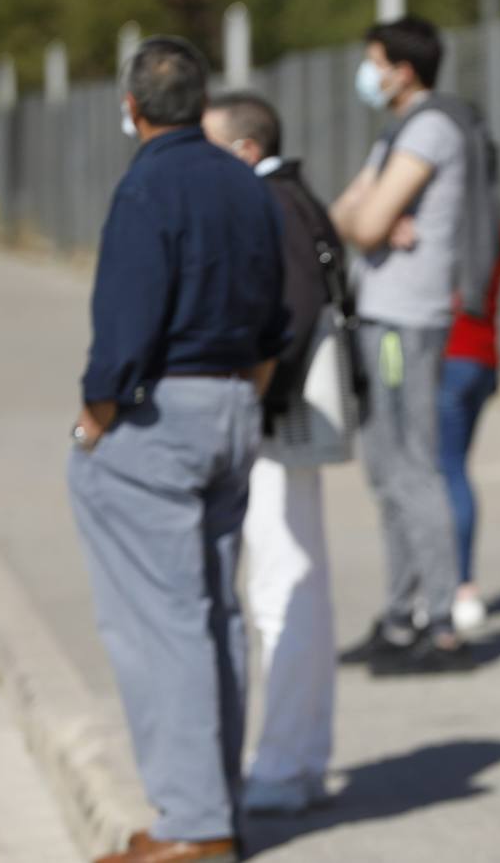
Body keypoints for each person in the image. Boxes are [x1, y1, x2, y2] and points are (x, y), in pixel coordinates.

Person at [67, 37, 287, 863]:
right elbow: (281, 314)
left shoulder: (146, 185)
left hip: (160, 412)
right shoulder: (243, 182)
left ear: (132, 108)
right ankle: (213, 803)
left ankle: (194, 826)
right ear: (199, 103)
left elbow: (124, 325)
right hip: (236, 402)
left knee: (159, 623)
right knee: (212, 615)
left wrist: (94, 418)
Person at [202, 92, 353, 816]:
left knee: (283, 592)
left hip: (275, 426)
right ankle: (298, 759)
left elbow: (288, 320)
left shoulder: (274, 203)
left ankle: (286, 764)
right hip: (284, 422)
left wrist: (249, 400)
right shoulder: (294, 196)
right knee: (293, 586)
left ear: (240, 149)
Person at [330, 15, 494, 673]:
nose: (367, 74)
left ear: (403, 68)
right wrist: (364, 219)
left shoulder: (428, 127)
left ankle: (441, 623)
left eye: (373, 61)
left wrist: (371, 219)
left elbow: (362, 221)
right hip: (381, 316)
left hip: (404, 319)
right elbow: (343, 214)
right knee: (387, 470)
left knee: (414, 467)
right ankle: (400, 617)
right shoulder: (397, 131)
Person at [437, 219, 500, 633]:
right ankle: (461, 585)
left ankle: (458, 585)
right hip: (482, 359)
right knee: (454, 469)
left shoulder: (445, 227)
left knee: (442, 471)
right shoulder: (498, 228)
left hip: (447, 357)